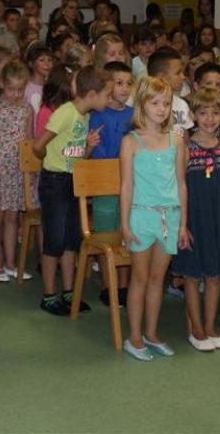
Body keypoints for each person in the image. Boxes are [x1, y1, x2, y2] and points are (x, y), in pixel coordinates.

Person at [32, 66, 110, 316]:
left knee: (71, 241)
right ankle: (48, 295)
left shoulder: (85, 116)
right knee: (54, 240)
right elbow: (38, 145)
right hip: (55, 181)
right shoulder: (66, 113)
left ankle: (68, 292)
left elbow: (78, 157)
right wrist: (50, 163)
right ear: (92, 94)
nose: (108, 100)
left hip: (73, 181)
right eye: (106, 95)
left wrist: (89, 147)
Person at [118, 77, 187, 361]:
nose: (161, 109)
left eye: (166, 103)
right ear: (142, 105)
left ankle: (151, 333)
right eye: (155, 103)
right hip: (141, 217)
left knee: (158, 279)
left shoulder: (176, 140)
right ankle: (134, 337)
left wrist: (183, 223)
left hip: (169, 217)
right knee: (140, 278)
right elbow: (126, 186)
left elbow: (181, 184)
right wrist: (125, 224)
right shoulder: (130, 142)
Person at [172, 88, 220, 351]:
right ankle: (197, 330)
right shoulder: (186, 149)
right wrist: (183, 224)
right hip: (194, 220)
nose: (209, 119)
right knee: (192, 276)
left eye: (215, 113)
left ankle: (211, 327)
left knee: (214, 276)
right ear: (192, 115)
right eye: (203, 113)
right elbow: (179, 187)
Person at [0, 60, 34, 283]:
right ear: (2, 84)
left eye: (20, 89)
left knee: (13, 217)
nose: (16, 94)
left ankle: (11, 263)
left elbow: (29, 140)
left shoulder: (27, 109)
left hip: (17, 171)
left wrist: (30, 173)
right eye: (11, 89)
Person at [89, 60, 134, 305]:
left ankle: (124, 286)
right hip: (104, 184)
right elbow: (97, 152)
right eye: (119, 83)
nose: (124, 88)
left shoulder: (134, 114)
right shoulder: (98, 114)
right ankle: (109, 286)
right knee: (107, 235)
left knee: (126, 236)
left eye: (128, 83)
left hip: (130, 185)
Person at [147, 47, 193, 137]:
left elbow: (186, 136)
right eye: (178, 73)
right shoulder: (144, 106)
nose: (183, 77)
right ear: (161, 78)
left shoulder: (182, 104)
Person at [22, 42, 54, 116]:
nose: (47, 64)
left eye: (49, 60)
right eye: (41, 60)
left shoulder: (51, 86)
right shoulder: (24, 86)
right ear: (31, 64)